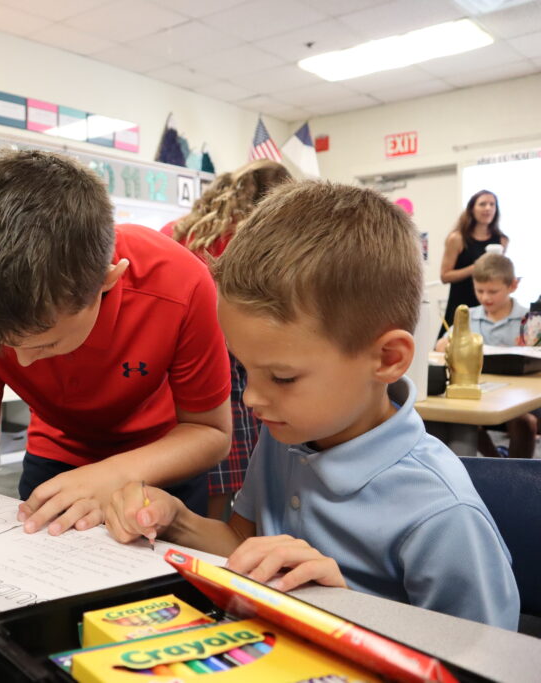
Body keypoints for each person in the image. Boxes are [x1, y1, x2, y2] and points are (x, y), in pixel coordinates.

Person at [104, 180, 520, 630]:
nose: (251, 398)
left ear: (387, 359)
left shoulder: (443, 514)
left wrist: (347, 610)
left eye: (282, 377)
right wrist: (175, 519)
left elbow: (484, 657)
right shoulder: (287, 434)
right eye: (244, 369)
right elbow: (242, 542)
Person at [0, 150, 232, 535]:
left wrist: (115, 474)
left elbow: (210, 432)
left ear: (107, 282)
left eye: (46, 344)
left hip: (161, 463)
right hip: (56, 460)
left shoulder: (180, 285)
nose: (23, 362)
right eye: (2, 342)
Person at [161, 159, 291, 520]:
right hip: (230, 356)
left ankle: (206, 528)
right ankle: (233, 530)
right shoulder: (253, 236)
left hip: (175, 360)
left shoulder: (180, 229)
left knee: (204, 463)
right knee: (236, 460)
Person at [436, 253, 537, 458]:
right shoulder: (469, 316)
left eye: (493, 291)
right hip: (481, 391)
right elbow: (441, 346)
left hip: (519, 395)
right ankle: (495, 460)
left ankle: (514, 469)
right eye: (479, 290)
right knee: (464, 419)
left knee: (524, 422)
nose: (485, 298)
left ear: (513, 286)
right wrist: (446, 344)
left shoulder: (529, 319)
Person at [439, 190, 507, 337]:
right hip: (461, 302)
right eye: (482, 204)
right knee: (452, 345)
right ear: (472, 209)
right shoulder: (457, 239)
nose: (488, 208)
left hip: (488, 304)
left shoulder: (502, 240)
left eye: (492, 204)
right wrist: (477, 267)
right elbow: (445, 276)